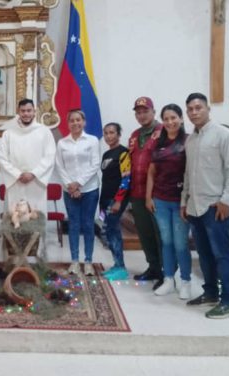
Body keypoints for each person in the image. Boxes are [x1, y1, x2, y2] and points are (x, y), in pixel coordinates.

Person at [181, 92, 229, 319]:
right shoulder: (191, 139)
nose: (194, 112)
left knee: (222, 255)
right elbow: (188, 173)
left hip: (216, 206)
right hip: (195, 206)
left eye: (198, 108)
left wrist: (227, 200)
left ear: (208, 109)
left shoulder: (224, 135)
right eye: (190, 109)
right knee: (204, 254)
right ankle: (210, 293)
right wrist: (184, 201)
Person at [146, 104, 191, 299]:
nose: (170, 122)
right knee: (166, 242)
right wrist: (148, 197)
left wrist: (188, 200)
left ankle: (186, 281)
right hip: (160, 200)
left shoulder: (189, 141)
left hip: (181, 201)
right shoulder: (158, 143)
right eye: (166, 119)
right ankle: (168, 280)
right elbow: (151, 172)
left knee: (180, 243)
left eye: (174, 118)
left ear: (181, 119)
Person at [0, 99, 56, 248]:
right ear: (18, 112)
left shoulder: (44, 132)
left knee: (36, 218)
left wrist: (33, 174)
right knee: (14, 219)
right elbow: (2, 159)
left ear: (34, 111)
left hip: (36, 184)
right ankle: (14, 259)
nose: (26, 114)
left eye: (29, 110)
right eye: (23, 111)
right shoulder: (8, 134)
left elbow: (50, 157)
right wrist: (18, 174)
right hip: (15, 183)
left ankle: (37, 257)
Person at [55, 109, 100, 276]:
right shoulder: (62, 143)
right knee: (73, 225)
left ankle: (88, 261)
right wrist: (70, 186)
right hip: (69, 191)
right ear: (68, 124)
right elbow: (59, 166)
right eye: (72, 120)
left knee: (88, 225)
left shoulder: (92, 140)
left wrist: (79, 183)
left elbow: (95, 164)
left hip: (89, 189)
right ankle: (74, 261)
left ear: (84, 122)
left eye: (78, 120)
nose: (75, 123)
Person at [128, 96, 164, 289]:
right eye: (138, 112)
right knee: (145, 233)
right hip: (137, 191)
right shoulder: (134, 135)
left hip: (157, 193)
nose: (142, 115)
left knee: (160, 233)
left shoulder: (163, 131)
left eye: (145, 111)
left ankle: (166, 273)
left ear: (153, 111)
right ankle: (153, 267)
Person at [99, 122, 131, 281]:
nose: (108, 136)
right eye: (106, 133)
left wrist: (118, 201)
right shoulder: (106, 154)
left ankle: (121, 267)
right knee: (108, 232)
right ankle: (116, 263)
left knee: (113, 231)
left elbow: (126, 179)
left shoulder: (124, 153)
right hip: (105, 198)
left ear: (118, 134)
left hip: (116, 199)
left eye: (112, 132)